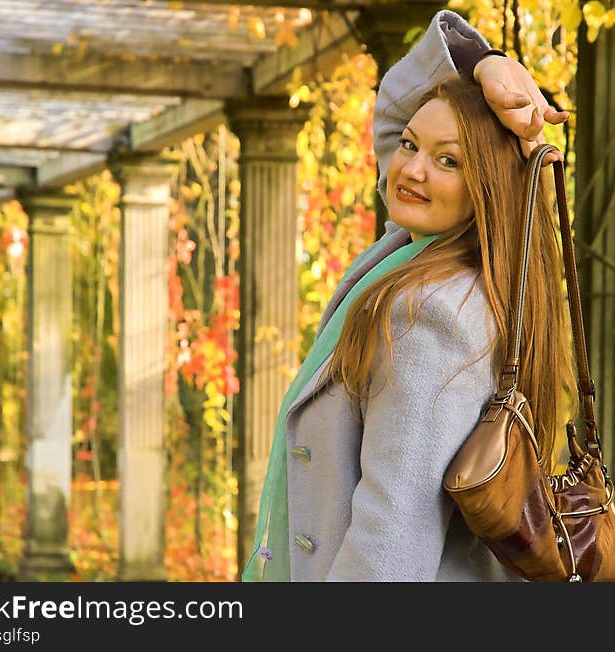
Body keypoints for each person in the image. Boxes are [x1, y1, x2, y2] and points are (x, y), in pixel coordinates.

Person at [242, 9, 575, 582]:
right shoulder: (423, 250)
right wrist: (484, 65)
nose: (411, 169)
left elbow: (391, 539)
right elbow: (397, 107)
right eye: (411, 146)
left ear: (487, 189)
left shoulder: (433, 315)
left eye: (449, 161)